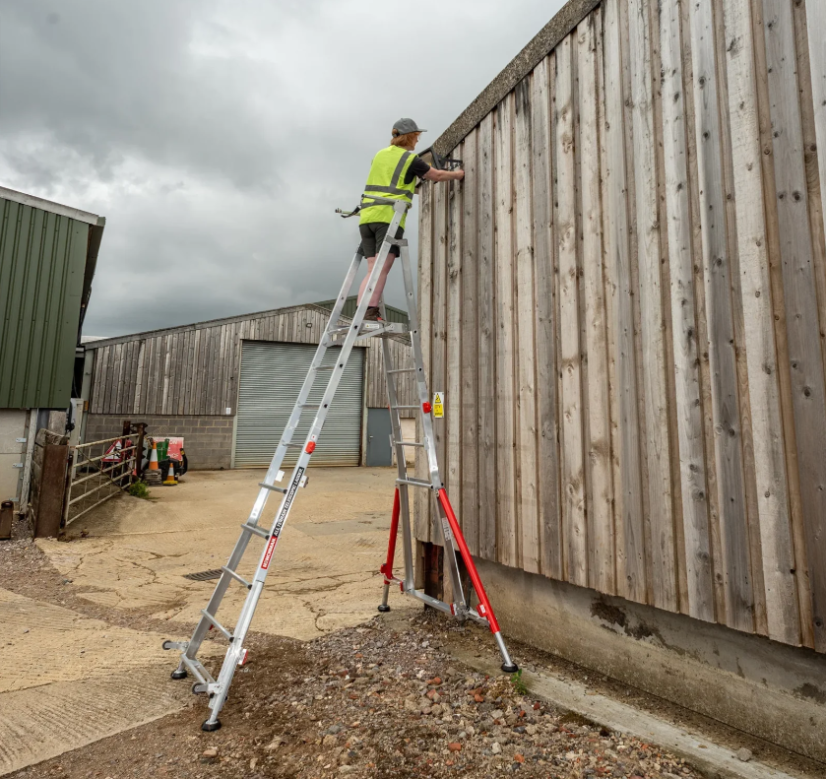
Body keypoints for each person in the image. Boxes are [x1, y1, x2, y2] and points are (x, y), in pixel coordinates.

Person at [357, 118, 465, 320]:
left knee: (372, 269)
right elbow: (437, 176)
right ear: (409, 137)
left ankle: (361, 312)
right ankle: (369, 312)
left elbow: (390, 178)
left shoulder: (379, 155)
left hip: (367, 218)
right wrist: (458, 175)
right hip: (388, 218)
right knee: (381, 269)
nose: (417, 140)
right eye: (416, 136)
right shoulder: (409, 159)